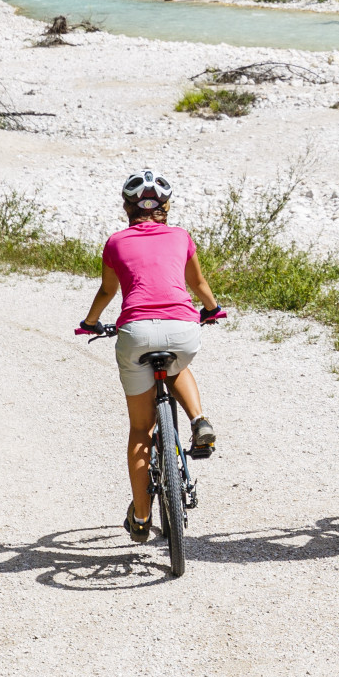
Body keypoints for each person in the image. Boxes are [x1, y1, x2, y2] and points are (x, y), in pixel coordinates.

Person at [76, 169, 225, 543]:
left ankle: (141, 517)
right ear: (166, 207)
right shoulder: (181, 236)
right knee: (178, 362)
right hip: (181, 329)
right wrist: (212, 309)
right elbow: (199, 284)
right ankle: (199, 418)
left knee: (141, 429)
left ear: (127, 206)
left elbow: (108, 291)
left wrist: (91, 322)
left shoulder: (116, 242)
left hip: (136, 332)